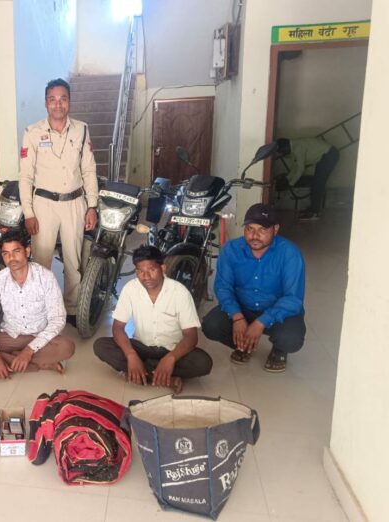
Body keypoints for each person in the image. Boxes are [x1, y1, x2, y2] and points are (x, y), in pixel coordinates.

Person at [19, 78, 98, 326]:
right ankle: (42, 308)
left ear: (69, 102)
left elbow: (89, 170)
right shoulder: (32, 132)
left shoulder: (81, 129)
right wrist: (28, 212)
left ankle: (72, 308)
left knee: (74, 260)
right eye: (52, 99)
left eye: (63, 99)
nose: (58, 104)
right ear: (46, 103)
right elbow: (25, 176)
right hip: (44, 205)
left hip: (74, 203)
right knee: (42, 259)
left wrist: (92, 206)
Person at [201, 203, 306, 373]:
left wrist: (261, 322)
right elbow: (223, 287)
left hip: (276, 310)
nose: (255, 236)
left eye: (262, 230)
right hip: (243, 308)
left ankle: (279, 350)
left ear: (275, 229)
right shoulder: (231, 250)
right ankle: (244, 344)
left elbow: (293, 299)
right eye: (250, 229)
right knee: (211, 325)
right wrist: (237, 317)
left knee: (290, 339)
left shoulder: (289, 253)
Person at [93, 245, 212, 393]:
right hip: (141, 347)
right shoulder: (130, 289)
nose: (146, 277)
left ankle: (140, 373)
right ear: (136, 272)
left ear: (163, 268)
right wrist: (131, 355)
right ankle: (162, 377)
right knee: (101, 346)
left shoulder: (179, 292)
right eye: (140, 271)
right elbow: (118, 327)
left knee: (203, 363)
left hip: (172, 348)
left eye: (151, 270)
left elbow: (191, 336)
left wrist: (170, 358)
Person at [0, 230, 75, 379]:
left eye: (16, 251)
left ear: (27, 251)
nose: (11, 258)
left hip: (39, 335)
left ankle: (12, 361)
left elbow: (58, 319)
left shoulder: (45, 277)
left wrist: (28, 351)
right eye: (6, 254)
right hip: (10, 335)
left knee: (67, 347)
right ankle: (41, 364)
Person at [277, 137, 340, 221]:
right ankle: (313, 209)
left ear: (286, 146)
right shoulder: (293, 148)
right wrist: (288, 178)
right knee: (316, 183)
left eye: (282, 151)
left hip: (329, 155)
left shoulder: (298, 147)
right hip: (325, 156)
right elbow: (296, 166)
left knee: (318, 184)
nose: (283, 154)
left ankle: (314, 212)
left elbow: (300, 169)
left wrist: (291, 183)